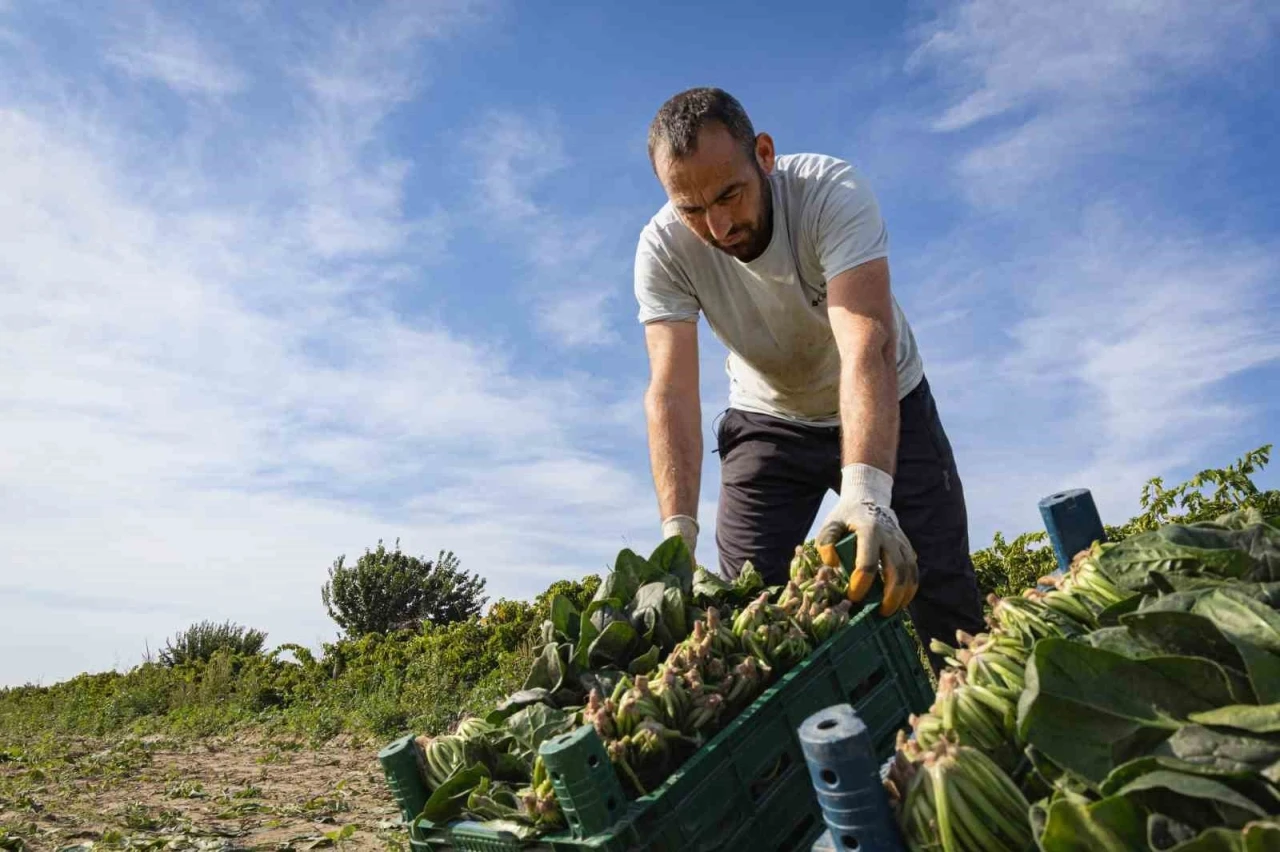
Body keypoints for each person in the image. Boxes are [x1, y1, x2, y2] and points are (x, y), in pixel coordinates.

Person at [632, 87, 985, 670]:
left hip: (884, 398)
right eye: (691, 209)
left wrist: (868, 495)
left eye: (730, 195)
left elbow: (865, 340)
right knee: (746, 614)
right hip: (769, 420)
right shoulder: (662, 249)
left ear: (764, 155)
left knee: (944, 598)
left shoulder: (830, 193)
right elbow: (670, 392)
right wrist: (678, 533)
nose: (717, 226)